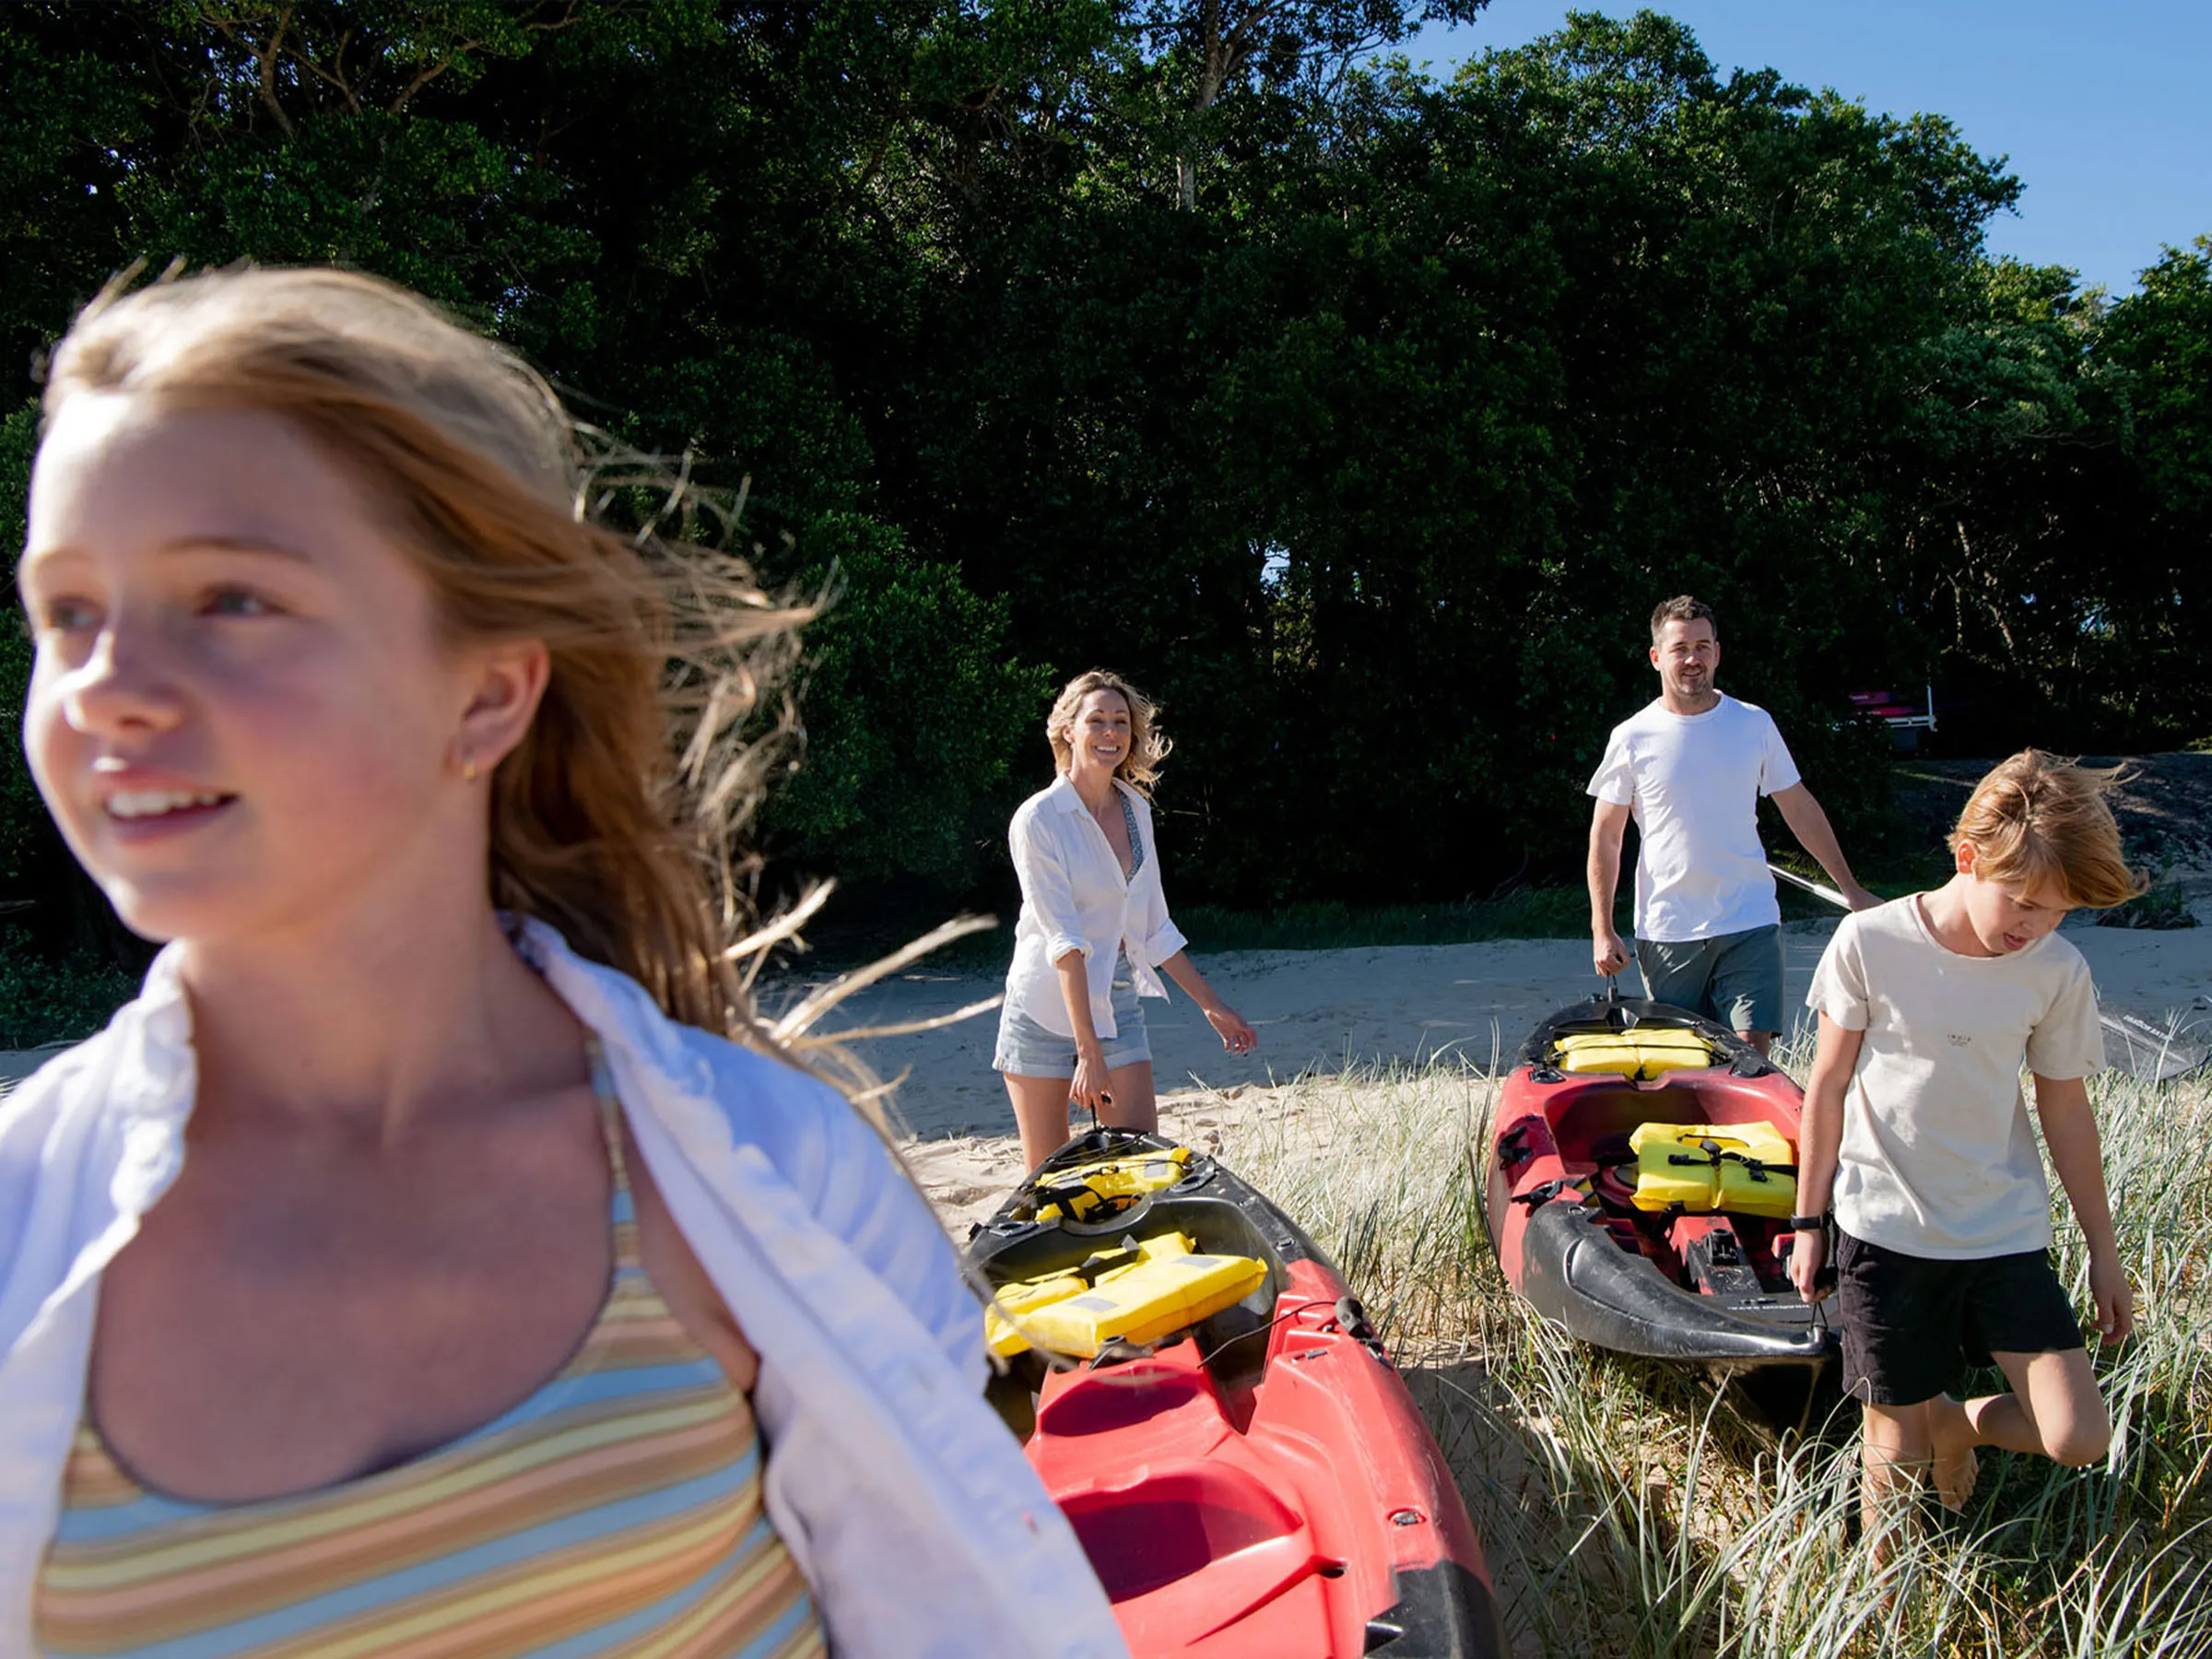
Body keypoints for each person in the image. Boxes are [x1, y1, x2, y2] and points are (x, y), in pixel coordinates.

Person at [3, 267, 1125, 1659]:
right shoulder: (16, 1231)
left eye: (228, 597)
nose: (105, 682)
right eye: (65, 614)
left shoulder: (771, 1180)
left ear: (484, 692)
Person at [1789, 751, 2141, 1539]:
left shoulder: (2055, 969)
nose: (2037, 926)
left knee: (2079, 1436)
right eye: (2023, 902)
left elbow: (2066, 1111)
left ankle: (1959, 1422)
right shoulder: (1868, 941)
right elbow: (1828, 1087)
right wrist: (1809, 1225)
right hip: (1884, 1230)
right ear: (1967, 859)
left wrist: (2102, 1251)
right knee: (1895, 1450)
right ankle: (1883, 1607)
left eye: (2059, 912)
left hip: (2003, 1231)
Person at [1587, 594, 1879, 1053]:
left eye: (1703, 647)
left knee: (1749, 1054)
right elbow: (1606, 837)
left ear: (1717, 653)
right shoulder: (1631, 737)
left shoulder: (1753, 724)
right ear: (1656, 657)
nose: (1692, 659)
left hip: (1750, 920)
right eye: (1680, 648)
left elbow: (1799, 807)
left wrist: (1851, 889)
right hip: (1668, 929)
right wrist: (1602, 928)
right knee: (1686, 1062)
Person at [994, 671, 1258, 1170]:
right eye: (1096, 720)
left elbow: (1151, 926)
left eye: (1120, 721)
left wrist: (1211, 1004)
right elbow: (1064, 942)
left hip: (1115, 996)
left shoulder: (1136, 810)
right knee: (1049, 1183)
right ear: (1068, 730)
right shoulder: (1038, 819)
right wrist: (1086, 1049)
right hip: (1043, 1007)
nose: (1111, 732)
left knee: (1139, 1164)